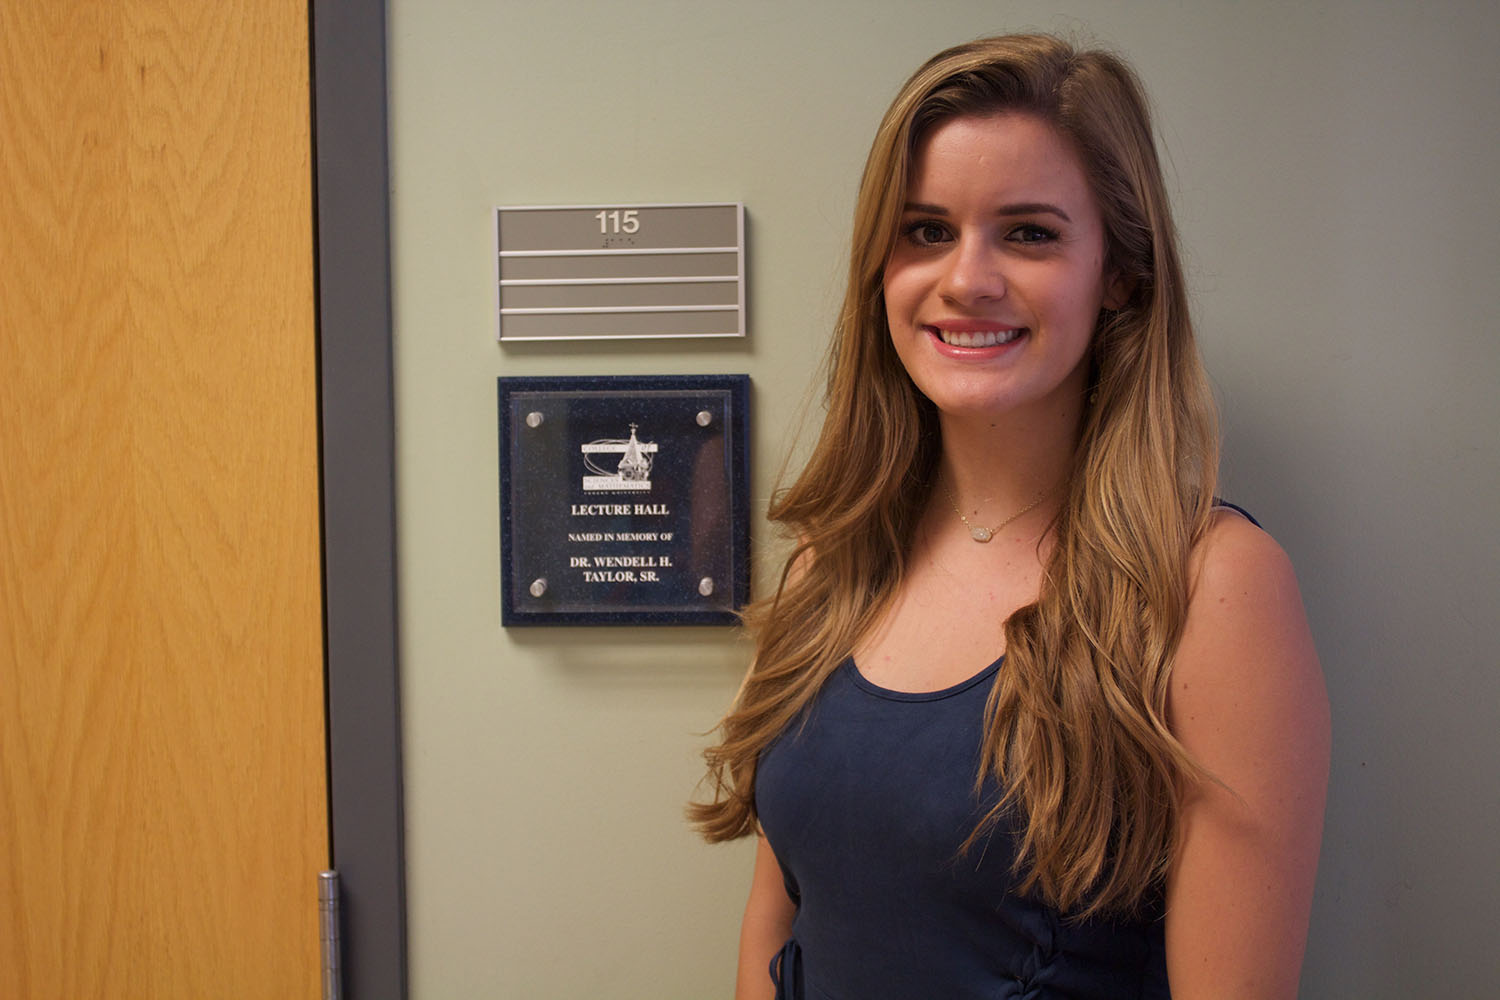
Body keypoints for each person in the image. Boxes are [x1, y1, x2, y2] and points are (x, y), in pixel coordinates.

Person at [689, 33, 1330, 1000]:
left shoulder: (1213, 588)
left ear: (1117, 271)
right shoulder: (830, 561)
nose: (966, 279)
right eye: (925, 231)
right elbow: (776, 929)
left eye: (1028, 233)